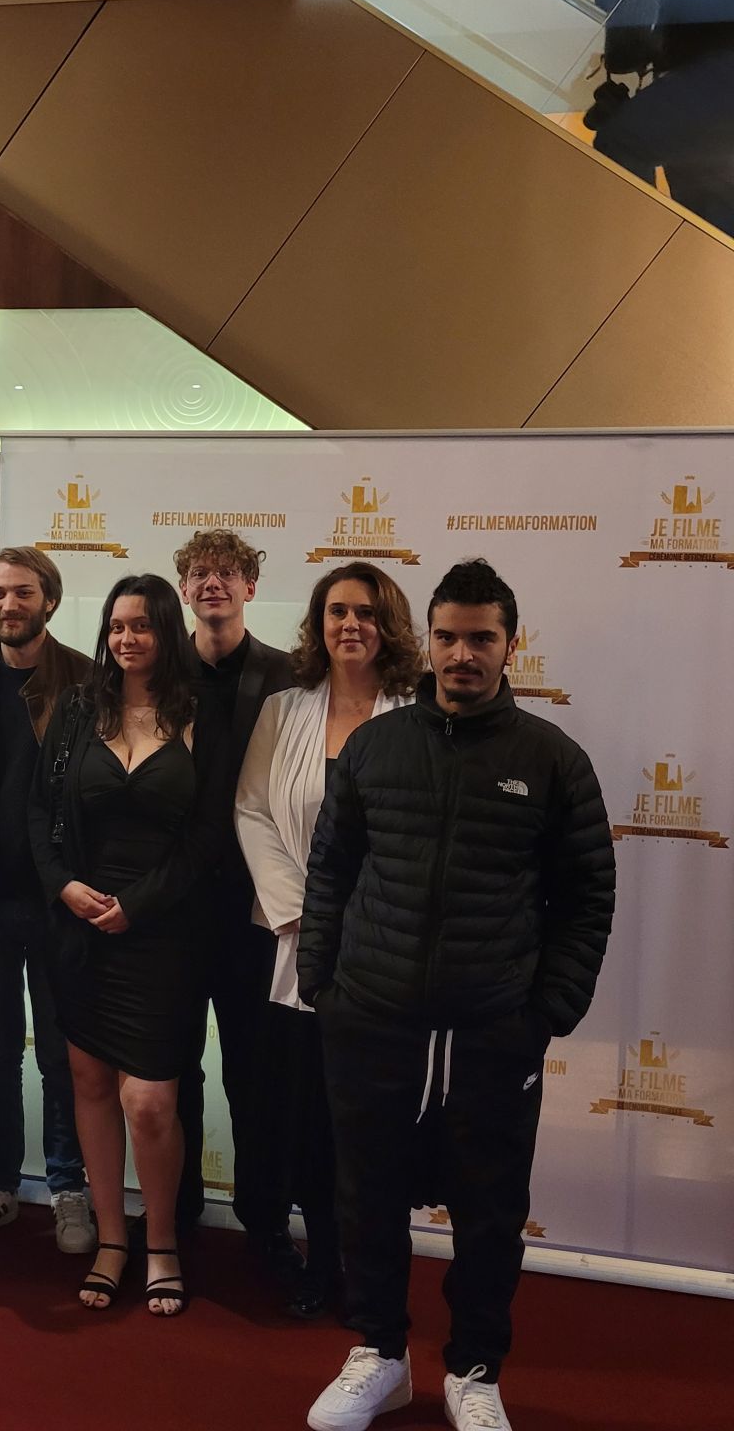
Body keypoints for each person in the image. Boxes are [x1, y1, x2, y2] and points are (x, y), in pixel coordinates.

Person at [298, 561, 615, 1431]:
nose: (462, 654)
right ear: (427, 642)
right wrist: (325, 982)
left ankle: (474, 1370)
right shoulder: (375, 746)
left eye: (482, 638)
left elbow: (586, 899)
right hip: (372, 1016)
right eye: (447, 636)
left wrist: (546, 1012)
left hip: (489, 1031)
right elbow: (330, 870)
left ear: (511, 645)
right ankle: (380, 1356)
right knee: (365, 1196)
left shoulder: (552, 760)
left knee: (488, 1211)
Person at [28, 574, 228, 1317]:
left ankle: (164, 1240)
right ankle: (113, 1238)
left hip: (165, 931)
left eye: (140, 625)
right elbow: (35, 813)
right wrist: (64, 888)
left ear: (166, 631)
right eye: (115, 626)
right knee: (88, 1086)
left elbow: (210, 833)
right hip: (79, 928)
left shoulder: (202, 711)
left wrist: (137, 906)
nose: (125, 639)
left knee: (149, 1101)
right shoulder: (82, 707)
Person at [234, 562, 421, 1320]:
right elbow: (251, 812)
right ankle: (320, 1261)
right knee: (306, 1117)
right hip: (294, 946)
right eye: (338, 611)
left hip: (382, 949)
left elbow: (419, 828)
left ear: (390, 626)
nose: (352, 625)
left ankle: (369, 1265)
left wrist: (363, 915)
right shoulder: (283, 710)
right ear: (318, 623)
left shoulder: (419, 711)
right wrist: (302, 914)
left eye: (368, 613)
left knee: (370, 1121)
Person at [0, 546, 94, 1255]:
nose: (9, 605)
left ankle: (69, 1191)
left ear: (50, 601)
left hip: (62, 904)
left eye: (22, 593)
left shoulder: (90, 683)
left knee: (63, 1056)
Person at [172, 527, 297, 1280]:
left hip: (260, 917)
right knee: (172, 1073)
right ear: (182, 589)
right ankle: (176, 1217)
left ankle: (267, 1226)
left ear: (250, 586)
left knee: (260, 1077)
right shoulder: (152, 672)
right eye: (199, 573)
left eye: (227, 572)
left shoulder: (291, 678)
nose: (212, 583)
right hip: (174, 916)